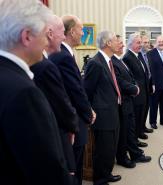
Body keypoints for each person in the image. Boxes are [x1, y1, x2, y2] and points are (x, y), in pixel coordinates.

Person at [0, 0, 74, 185]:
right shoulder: (23, 93)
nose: (47, 41)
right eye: (44, 34)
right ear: (27, 37)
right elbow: (47, 171)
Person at [30, 15, 81, 178]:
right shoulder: (45, 65)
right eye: (61, 32)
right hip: (55, 131)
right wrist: (73, 124)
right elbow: (61, 101)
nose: (63, 36)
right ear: (50, 33)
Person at [49, 15, 94, 185]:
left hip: (72, 117)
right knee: (75, 164)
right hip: (73, 120)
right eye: (81, 29)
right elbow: (74, 91)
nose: (83, 33)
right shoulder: (63, 55)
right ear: (72, 31)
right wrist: (88, 113)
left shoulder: (66, 53)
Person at [84, 31, 121, 185]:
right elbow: (87, 91)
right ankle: (99, 180)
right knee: (102, 151)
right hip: (102, 115)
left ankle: (107, 174)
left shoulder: (108, 61)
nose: (118, 43)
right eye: (115, 40)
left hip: (112, 112)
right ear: (107, 43)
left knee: (110, 149)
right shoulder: (95, 62)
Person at [112, 35, 151, 169]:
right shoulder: (116, 60)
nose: (123, 45)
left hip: (130, 99)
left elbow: (130, 76)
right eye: (120, 43)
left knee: (130, 130)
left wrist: (135, 85)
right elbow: (120, 81)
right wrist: (134, 88)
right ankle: (124, 157)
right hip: (125, 101)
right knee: (125, 132)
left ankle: (135, 154)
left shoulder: (120, 60)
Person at [122, 33, 149, 146]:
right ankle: (135, 140)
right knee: (136, 118)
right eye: (138, 43)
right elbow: (130, 78)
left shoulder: (136, 55)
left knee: (140, 116)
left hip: (142, 92)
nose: (141, 45)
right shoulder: (128, 57)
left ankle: (138, 134)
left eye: (141, 42)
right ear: (131, 43)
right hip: (136, 94)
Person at [138, 35, 153, 134]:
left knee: (147, 107)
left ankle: (143, 126)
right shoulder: (137, 55)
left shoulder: (148, 54)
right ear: (140, 43)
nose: (147, 44)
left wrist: (152, 84)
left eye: (148, 42)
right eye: (145, 42)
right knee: (141, 110)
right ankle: (140, 130)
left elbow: (150, 71)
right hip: (141, 88)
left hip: (148, 85)